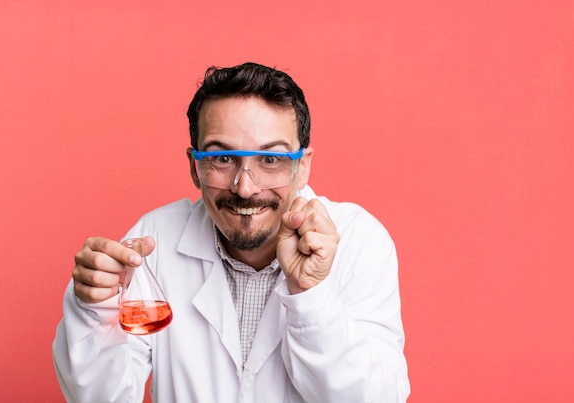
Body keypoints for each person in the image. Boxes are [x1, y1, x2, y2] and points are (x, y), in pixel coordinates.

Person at [53, 62, 410, 402]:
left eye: (271, 159)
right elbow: (100, 398)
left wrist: (310, 294)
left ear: (302, 168)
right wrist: (95, 307)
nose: (245, 187)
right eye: (222, 159)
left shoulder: (359, 240)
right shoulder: (154, 240)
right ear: (195, 168)